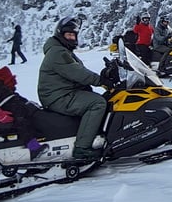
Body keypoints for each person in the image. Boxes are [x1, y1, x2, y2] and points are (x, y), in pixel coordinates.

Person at [38, 15, 115, 162]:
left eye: (73, 35)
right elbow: (77, 72)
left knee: (101, 98)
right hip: (58, 97)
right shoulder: (58, 52)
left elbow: (77, 71)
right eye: (68, 34)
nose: (71, 38)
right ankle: (82, 148)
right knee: (97, 103)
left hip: (61, 93)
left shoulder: (62, 49)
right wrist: (101, 81)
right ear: (60, 34)